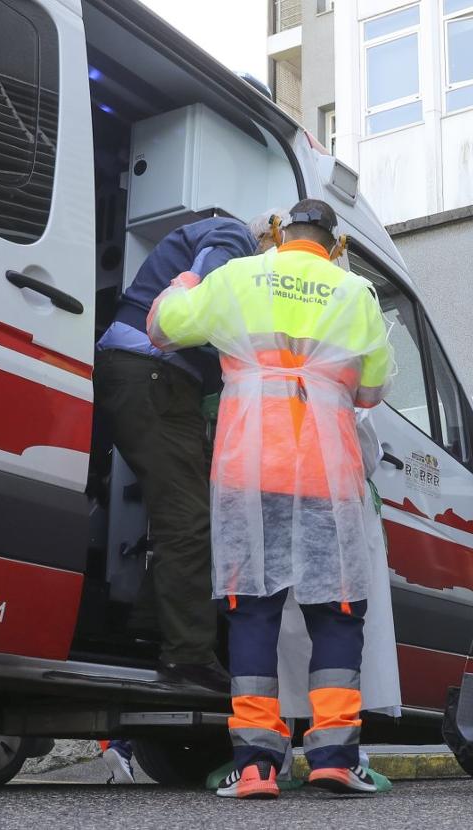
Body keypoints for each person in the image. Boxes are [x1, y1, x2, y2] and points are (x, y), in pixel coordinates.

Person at [148, 199, 395, 799]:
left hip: (249, 465)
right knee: (336, 610)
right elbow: (372, 391)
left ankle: (257, 763)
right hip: (325, 469)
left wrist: (185, 282)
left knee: (252, 608)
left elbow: (163, 330)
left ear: (281, 235)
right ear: (335, 245)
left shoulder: (239, 277)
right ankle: (335, 756)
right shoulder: (356, 292)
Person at [94, 213, 277, 693]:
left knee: (186, 509)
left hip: (150, 376)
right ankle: (188, 656)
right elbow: (202, 300)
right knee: (190, 519)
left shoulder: (216, 235)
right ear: (268, 240)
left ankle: (149, 624)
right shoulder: (234, 239)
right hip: (153, 372)